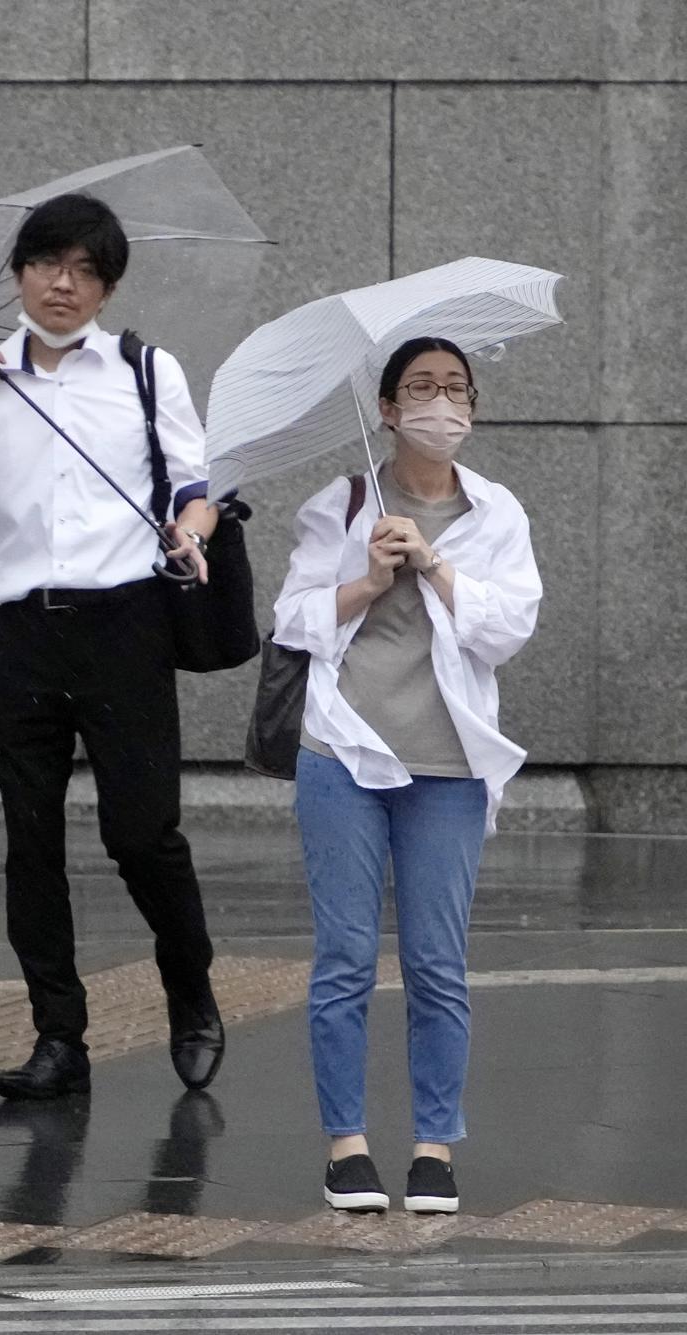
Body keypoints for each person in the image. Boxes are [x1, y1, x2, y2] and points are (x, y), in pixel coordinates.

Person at [0, 194, 226, 1101]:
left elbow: (196, 487)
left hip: (125, 622)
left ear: (107, 286)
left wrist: (190, 531)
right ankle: (59, 1036)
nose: (64, 283)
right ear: (18, 274)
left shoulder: (148, 371)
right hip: (18, 632)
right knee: (30, 840)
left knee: (142, 833)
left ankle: (189, 987)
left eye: (86, 270)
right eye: (49, 264)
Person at [273, 337, 541, 1217]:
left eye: (455, 389)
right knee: (345, 956)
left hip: (451, 764)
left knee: (437, 961)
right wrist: (364, 578)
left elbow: (509, 628)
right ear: (387, 410)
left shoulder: (497, 512)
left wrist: (435, 563)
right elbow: (293, 618)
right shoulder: (343, 503)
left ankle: (434, 1146)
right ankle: (346, 1145)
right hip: (345, 753)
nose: (440, 403)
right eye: (420, 388)